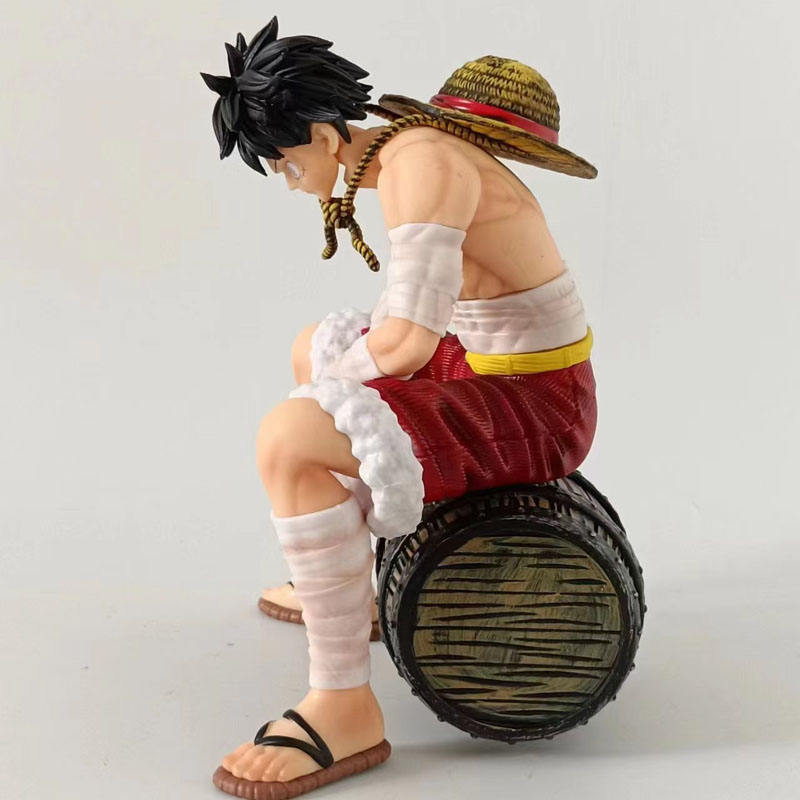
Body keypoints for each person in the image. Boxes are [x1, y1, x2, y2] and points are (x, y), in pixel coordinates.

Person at [202, 15, 598, 798]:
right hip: (487, 365)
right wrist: (328, 378)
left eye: (284, 162)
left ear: (323, 136)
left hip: (537, 404)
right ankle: (343, 579)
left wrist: (317, 403)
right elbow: (408, 321)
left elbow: (410, 341)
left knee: (289, 436)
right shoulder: (407, 152)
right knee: (313, 348)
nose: (289, 181)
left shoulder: (422, 164)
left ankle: (343, 703)